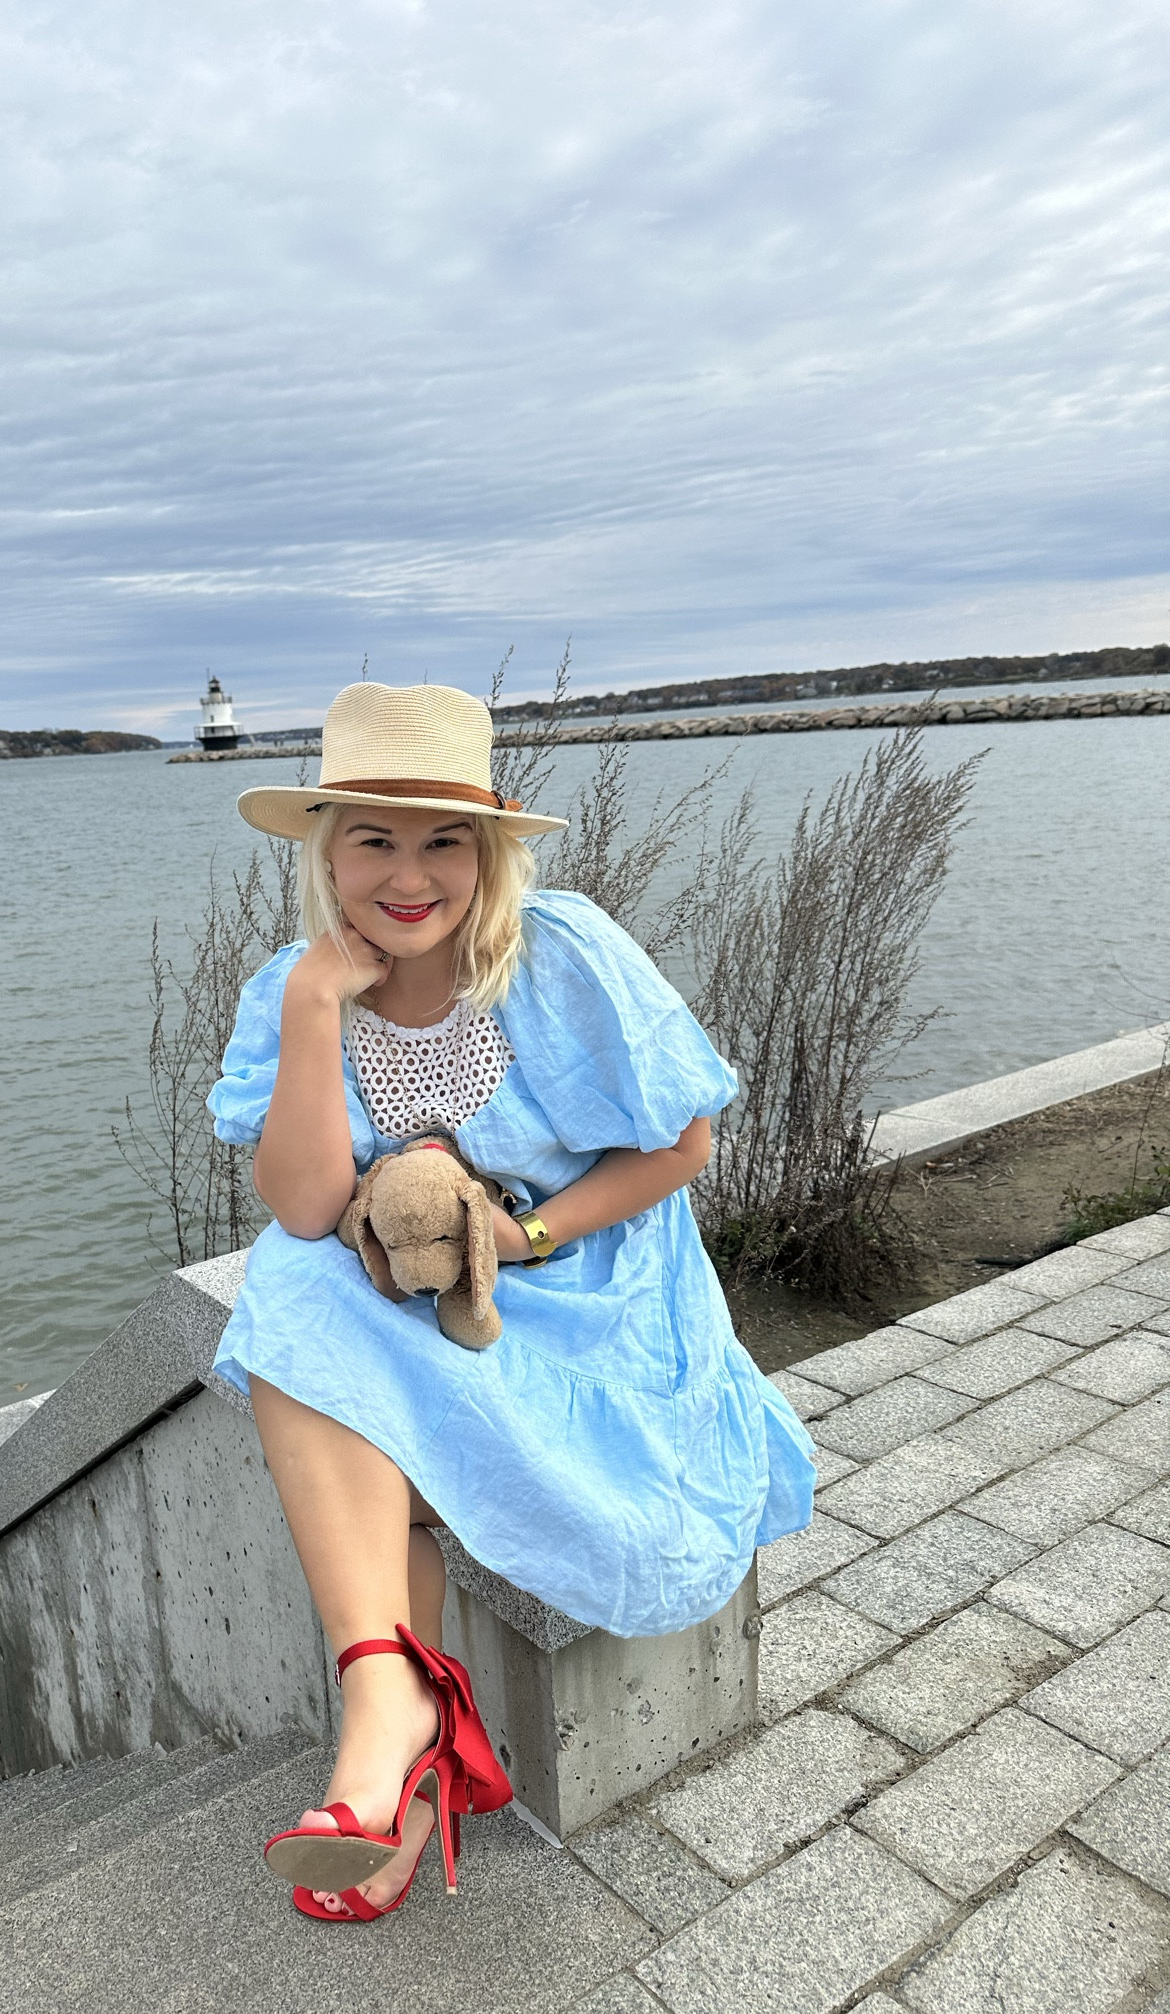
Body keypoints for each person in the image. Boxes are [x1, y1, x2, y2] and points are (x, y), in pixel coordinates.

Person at [207, 682, 815, 1923]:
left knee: (350, 1401)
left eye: (445, 839)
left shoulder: (560, 952)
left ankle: (397, 1752)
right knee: (291, 1285)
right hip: (416, 1284)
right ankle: (389, 1710)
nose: (409, 874)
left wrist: (522, 1232)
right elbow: (308, 1207)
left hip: (585, 1274)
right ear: (328, 851)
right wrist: (317, 1003)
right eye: (375, 838)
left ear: (488, 850)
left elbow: (685, 1144)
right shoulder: (293, 985)